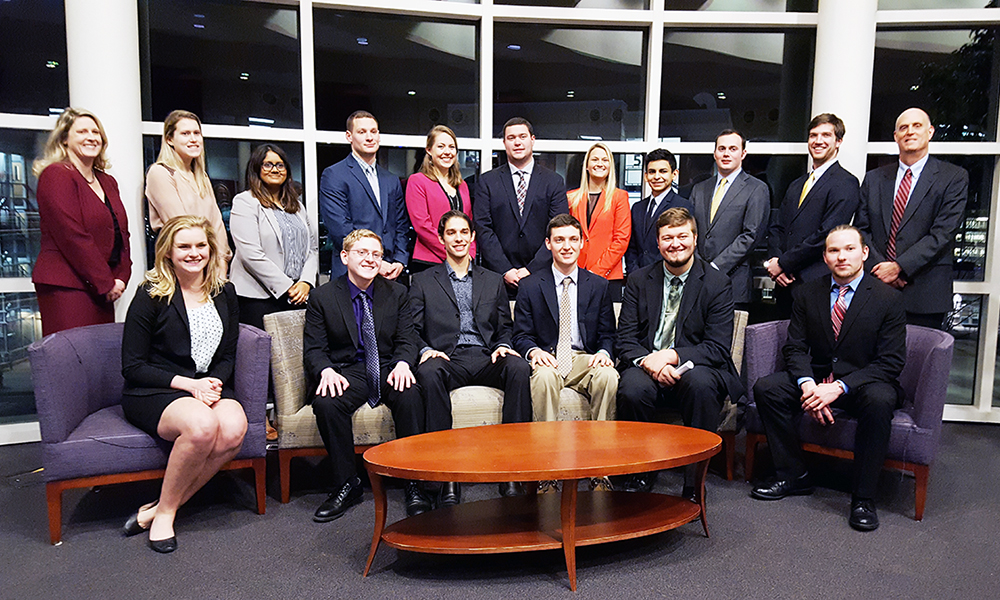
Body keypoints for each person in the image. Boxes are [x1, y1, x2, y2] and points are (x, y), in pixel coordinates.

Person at [750, 225, 906, 532]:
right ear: (825, 256)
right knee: (766, 388)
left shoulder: (888, 299)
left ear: (863, 253)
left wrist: (837, 388)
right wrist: (809, 386)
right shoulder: (808, 293)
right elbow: (794, 347)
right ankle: (794, 475)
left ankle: (863, 498)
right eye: (834, 251)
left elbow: (890, 362)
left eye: (849, 249)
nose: (841, 256)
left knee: (881, 400)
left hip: (863, 382)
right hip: (819, 378)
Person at [119, 215, 244, 553]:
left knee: (233, 428)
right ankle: (165, 517)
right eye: (184, 246)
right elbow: (132, 366)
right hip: (156, 389)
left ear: (211, 248)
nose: (194, 253)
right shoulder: (150, 295)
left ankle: (156, 509)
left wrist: (214, 381)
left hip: (207, 384)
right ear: (168, 253)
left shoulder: (225, 292)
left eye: (200, 245)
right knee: (203, 426)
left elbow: (228, 353)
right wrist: (190, 386)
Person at [615, 207, 744, 499]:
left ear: (695, 239)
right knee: (632, 388)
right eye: (668, 238)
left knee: (700, 384)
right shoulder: (637, 280)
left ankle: (694, 481)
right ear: (658, 244)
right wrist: (651, 362)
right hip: (647, 365)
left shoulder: (716, 283)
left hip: (695, 366)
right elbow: (625, 339)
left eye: (682, 236)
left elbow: (717, 347)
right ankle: (640, 472)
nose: (676, 243)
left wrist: (671, 356)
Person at [409, 210, 532, 506]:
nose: (459, 238)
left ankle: (512, 470)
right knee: (428, 373)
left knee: (518, 366)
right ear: (441, 239)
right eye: (451, 233)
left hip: (487, 355)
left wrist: (503, 344)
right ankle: (446, 474)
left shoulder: (492, 280)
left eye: (464, 232)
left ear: (473, 237)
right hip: (448, 357)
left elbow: (505, 326)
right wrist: (426, 350)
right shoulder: (422, 281)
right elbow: (410, 329)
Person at [303, 229, 423, 522]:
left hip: (387, 366)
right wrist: (326, 371)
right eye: (362, 252)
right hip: (347, 370)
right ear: (345, 256)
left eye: (376, 254)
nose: (370, 259)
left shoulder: (397, 293)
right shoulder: (323, 297)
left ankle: (413, 482)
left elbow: (408, 339)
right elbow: (314, 348)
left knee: (411, 394)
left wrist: (404, 363)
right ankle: (347, 483)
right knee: (327, 402)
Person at [513, 214, 618, 491]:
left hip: (584, 358)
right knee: (545, 378)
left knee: (608, 377)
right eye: (559, 240)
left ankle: (601, 470)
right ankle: (548, 472)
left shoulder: (598, 285)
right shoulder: (531, 285)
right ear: (548, 244)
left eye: (573, 239)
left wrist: (605, 353)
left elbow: (608, 333)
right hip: (549, 355)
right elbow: (521, 335)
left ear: (582, 243)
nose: (567, 246)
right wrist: (534, 351)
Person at [854, 107, 968, 330]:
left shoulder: (953, 177)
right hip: (876, 289)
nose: (910, 132)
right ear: (896, 136)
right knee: (871, 361)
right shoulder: (874, 179)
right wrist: (882, 268)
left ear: (930, 132)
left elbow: (943, 233)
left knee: (921, 361)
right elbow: (861, 230)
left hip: (925, 293)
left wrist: (899, 267)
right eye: (903, 128)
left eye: (917, 126)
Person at [32, 108, 131, 336]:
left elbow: (121, 233)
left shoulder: (108, 181)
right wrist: (106, 283)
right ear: (65, 139)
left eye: (96, 132)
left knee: (98, 362)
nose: (91, 137)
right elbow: (71, 235)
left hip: (102, 288)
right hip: (68, 287)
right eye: (82, 131)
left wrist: (121, 277)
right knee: (72, 361)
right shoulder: (56, 174)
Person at [765, 114, 860, 318]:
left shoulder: (846, 183)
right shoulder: (796, 185)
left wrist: (783, 264)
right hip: (784, 285)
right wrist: (776, 261)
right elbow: (777, 227)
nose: (818, 141)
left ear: (838, 142)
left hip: (816, 283)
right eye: (813, 135)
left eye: (826, 135)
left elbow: (827, 234)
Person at [229, 143, 318, 331]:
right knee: (262, 357)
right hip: (258, 298)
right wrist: (287, 286)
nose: (275, 170)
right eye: (267, 164)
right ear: (256, 168)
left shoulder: (297, 207)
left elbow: (312, 249)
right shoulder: (245, 202)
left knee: (294, 358)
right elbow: (250, 253)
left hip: (298, 295)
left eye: (280, 165)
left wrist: (306, 282)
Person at [474, 117, 568, 294]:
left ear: (532, 140)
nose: (517, 142)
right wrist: (505, 269)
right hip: (497, 277)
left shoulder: (553, 181)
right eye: (511, 138)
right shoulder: (487, 181)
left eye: (522, 136)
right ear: (504, 143)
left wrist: (531, 269)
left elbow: (559, 230)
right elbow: (483, 228)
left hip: (542, 275)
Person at [319, 111, 409, 280]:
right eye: (362, 132)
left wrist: (400, 260)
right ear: (349, 136)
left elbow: (401, 224)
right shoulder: (334, 175)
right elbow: (341, 229)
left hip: (391, 273)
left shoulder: (391, 179)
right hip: (353, 273)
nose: (369, 137)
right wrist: (375, 261)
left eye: (374, 131)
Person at [689, 129, 769, 310]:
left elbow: (751, 235)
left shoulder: (756, 189)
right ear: (714, 153)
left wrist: (715, 267)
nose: (726, 153)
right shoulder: (699, 189)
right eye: (721, 148)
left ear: (743, 153)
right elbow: (690, 231)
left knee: (730, 338)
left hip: (733, 283)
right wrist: (698, 266)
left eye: (733, 149)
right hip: (697, 280)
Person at [145, 110, 230, 264]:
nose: (193, 139)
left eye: (196, 133)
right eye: (185, 133)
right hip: (181, 262)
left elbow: (217, 223)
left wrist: (221, 262)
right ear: (170, 139)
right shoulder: (160, 172)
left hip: (209, 262)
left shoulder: (201, 176)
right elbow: (180, 225)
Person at [405, 125, 475, 274]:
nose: (447, 152)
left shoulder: (462, 185)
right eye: (441, 146)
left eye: (451, 147)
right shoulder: (417, 181)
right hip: (430, 262)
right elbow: (422, 226)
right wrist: (452, 253)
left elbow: (469, 222)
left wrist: (470, 254)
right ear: (429, 150)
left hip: (463, 262)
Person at [566, 143, 631, 290]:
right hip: (575, 273)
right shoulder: (571, 198)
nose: (600, 164)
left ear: (610, 166)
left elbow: (621, 240)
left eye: (605, 160)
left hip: (608, 276)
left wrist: (596, 272)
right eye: (595, 159)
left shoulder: (619, 197)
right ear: (587, 165)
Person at [625, 148, 693, 276]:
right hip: (639, 278)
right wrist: (634, 273)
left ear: (674, 174)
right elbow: (632, 247)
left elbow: (683, 246)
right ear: (645, 176)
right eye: (652, 172)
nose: (657, 177)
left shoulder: (683, 206)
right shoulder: (637, 207)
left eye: (663, 171)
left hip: (668, 276)